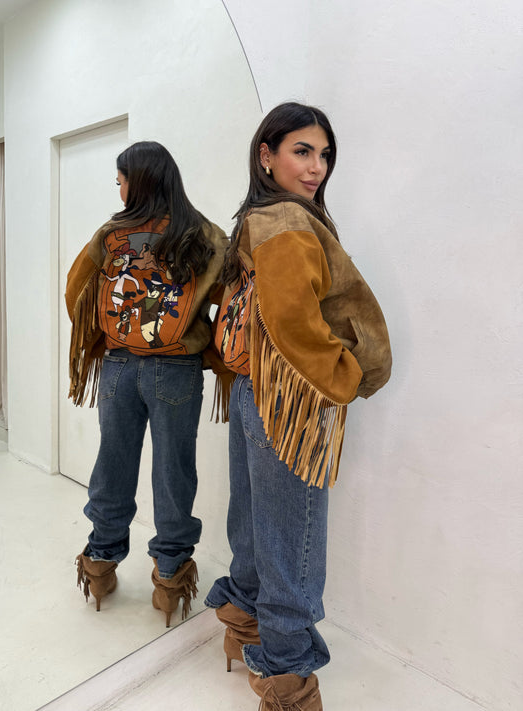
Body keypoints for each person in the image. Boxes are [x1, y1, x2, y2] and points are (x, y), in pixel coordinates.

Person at [206, 103, 392, 710]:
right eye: (302, 151)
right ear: (267, 155)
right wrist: (344, 377)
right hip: (290, 397)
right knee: (294, 539)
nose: (316, 168)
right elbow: (293, 322)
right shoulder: (287, 218)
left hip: (251, 388)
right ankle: (287, 676)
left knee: (256, 522)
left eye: (324, 154)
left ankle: (244, 623)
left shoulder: (255, 217)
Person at [65, 141, 228, 625]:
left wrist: (104, 335)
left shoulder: (110, 234)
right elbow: (225, 294)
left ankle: (100, 561)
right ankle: (171, 574)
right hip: (176, 368)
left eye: (120, 181)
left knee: (112, 461)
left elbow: (77, 290)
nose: (118, 190)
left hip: (118, 365)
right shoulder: (204, 233)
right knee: (174, 468)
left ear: (137, 181)